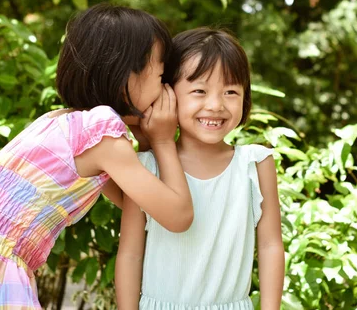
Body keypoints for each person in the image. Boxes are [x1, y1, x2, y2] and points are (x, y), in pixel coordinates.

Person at [0, 4, 194, 309]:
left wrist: (143, 141)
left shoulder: (63, 123)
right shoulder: (104, 136)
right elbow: (176, 216)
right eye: (161, 76)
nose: (165, 89)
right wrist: (164, 141)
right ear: (123, 75)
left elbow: (135, 203)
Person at [115, 28, 284, 309]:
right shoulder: (146, 166)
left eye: (231, 91)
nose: (216, 105)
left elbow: (270, 247)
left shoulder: (255, 164)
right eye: (199, 91)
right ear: (167, 94)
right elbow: (130, 253)